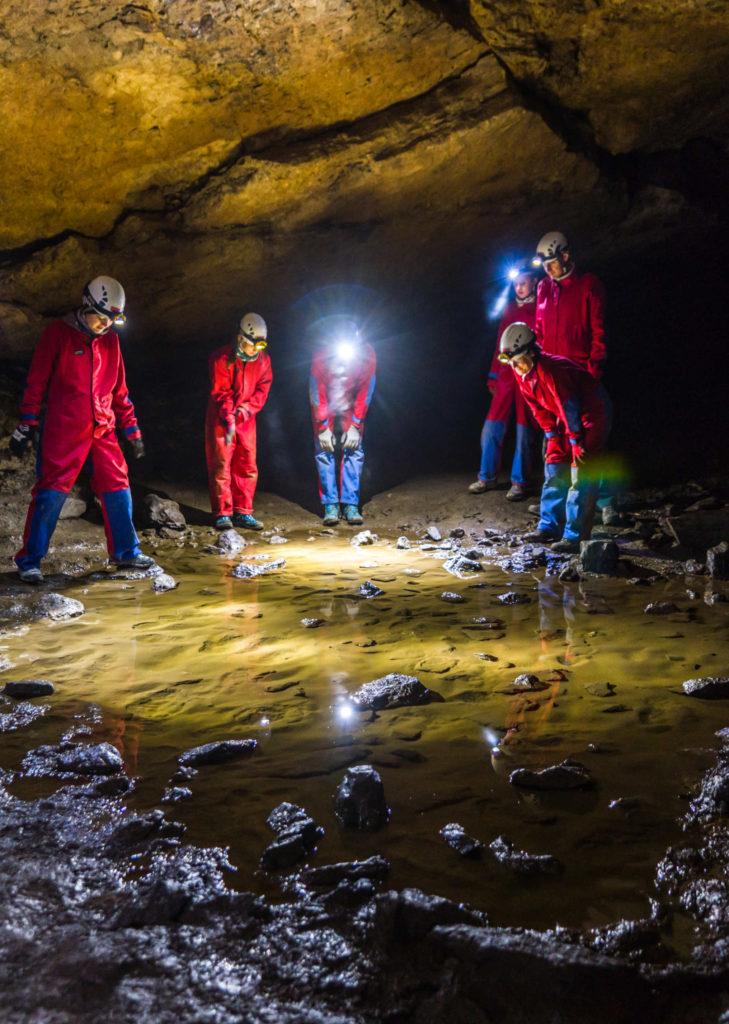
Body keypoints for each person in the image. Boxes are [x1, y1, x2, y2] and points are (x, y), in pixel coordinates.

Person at [10, 275, 153, 583]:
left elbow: (119, 391)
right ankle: (29, 561)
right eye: (102, 318)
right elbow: (36, 382)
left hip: (103, 428)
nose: (107, 325)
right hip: (65, 429)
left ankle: (126, 553)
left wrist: (132, 429)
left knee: (118, 486)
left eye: (112, 320)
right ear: (86, 306)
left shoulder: (111, 341)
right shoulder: (58, 334)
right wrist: (27, 422)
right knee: (51, 492)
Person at [497, 322, 607, 553]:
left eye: (517, 360)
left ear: (531, 352)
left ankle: (575, 536)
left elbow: (570, 407)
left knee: (581, 473)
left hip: (591, 413)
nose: (514, 366)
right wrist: (551, 433)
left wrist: (577, 442)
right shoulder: (522, 371)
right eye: (511, 362)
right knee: (554, 466)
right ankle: (549, 527)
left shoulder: (550, 370)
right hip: (563, 416)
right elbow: (537, 407)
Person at [532, 229, 617, 522]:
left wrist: (592, 374)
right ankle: (557, 506)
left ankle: (604, 502)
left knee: (590, 442)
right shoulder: (543, 288)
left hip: (581, 378)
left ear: (566, 256)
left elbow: (599, 333)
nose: (547, 268)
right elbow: (539, 333)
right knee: (554, 443)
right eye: (543, 263)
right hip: (553, 382)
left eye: (551, 262)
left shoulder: (589, 285)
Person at [468, 263, 539, 501]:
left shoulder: (541, 307)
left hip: (528, 373)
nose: (519, 287)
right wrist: (493, 373)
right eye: (516, 284)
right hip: (507, 374)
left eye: (523, 283)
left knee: (524, 429)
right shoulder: (509, 308)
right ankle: (486, 477)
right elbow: (501, 341)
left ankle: (519, 482)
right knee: (492, 427)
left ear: (534, 282)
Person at [205, 312, 273, 531]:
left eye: (259, 346)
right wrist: (229, 415)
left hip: (246, 419)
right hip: (221, 419)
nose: (256, 350)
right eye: (253, 345)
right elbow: (221, 391)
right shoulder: (221, 358)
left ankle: (243, 512)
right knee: (221, 463)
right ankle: (223, 513)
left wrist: (245, 411)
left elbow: (262, 389)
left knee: (247, 464)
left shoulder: (263, 360)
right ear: (240, 338)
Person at [309, 320, 376, 525]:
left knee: (353, 448)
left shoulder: (366, 354)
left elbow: (365, 390)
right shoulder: (322, 354)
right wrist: (322, 427)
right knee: (324, 448)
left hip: (350, 401)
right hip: (326, 402)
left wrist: (355, 425)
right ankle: (331, 504)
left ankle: (350, 503)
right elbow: (316, 390)